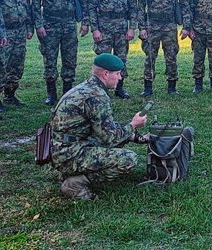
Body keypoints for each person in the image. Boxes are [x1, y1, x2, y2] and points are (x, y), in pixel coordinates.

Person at [51, 53, 148, 200]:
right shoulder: (97, 96)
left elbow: (104, 128)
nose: (120, 77)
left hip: (65, 148)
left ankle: (71, 172)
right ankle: (75, 183)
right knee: (129, 159)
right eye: (117, 74)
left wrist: (136, 138)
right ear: (105, 74)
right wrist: (133, 125)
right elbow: (109, 138)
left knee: (119, 140)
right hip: (69, 154)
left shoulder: (88, 88)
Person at [32, 0, 89, 106]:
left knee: (70, 59)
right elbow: (35, 4)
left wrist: (85, 23)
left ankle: (67, 91)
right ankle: (51, 93)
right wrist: (39, 25)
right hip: (50, 24)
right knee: (50, 59)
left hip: (69, 24)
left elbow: (84, 1)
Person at [137, 0, 192, 96]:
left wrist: (186, 27)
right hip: (152, 26)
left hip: (170, 27)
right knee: (150, 57)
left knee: (171, 56)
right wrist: (142, 28)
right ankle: (148, 87)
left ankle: (172, 87)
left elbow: (185, 6)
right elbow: (140, 7)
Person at [87, 0, 138, 99]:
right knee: (104, 59)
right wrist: (95, 29)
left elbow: (133, 8)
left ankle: (119, 88)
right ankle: (101, 90)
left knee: (121, 59)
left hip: (121, 26)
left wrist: (131, 27)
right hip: (104, 27)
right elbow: (91, 8)